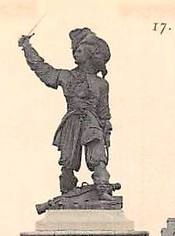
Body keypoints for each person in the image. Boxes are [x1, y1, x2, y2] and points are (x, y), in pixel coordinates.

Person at [18, 29, 113, 196]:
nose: (75, 54)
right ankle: (66, 192)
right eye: (75, 51)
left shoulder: (101, 84)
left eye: (80, 51)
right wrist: (27, 48)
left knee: (98, 157)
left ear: (90, 55)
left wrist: (106, 128)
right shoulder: (65, 76)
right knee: (68, 161)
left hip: (92, 122)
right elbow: (42, 69)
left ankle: (103, 188)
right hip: (71, 121)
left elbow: (103, 111)